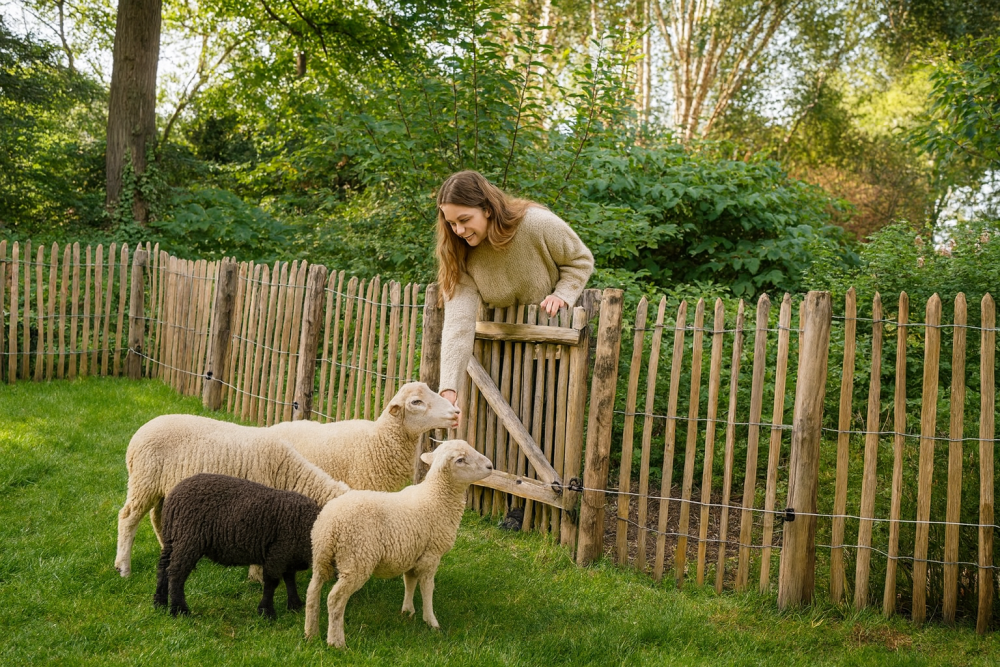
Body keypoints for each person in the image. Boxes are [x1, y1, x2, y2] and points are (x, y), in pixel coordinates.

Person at [435, 171, 595, 406]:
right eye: (451, 223)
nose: (458, 230)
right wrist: (449, 387)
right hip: (496, 358)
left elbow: (580, 260)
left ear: (487, 209)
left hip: (552, 354)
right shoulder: (459, 251)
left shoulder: (537, 223)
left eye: (464, 219)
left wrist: (562, 294)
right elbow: (458, 323)